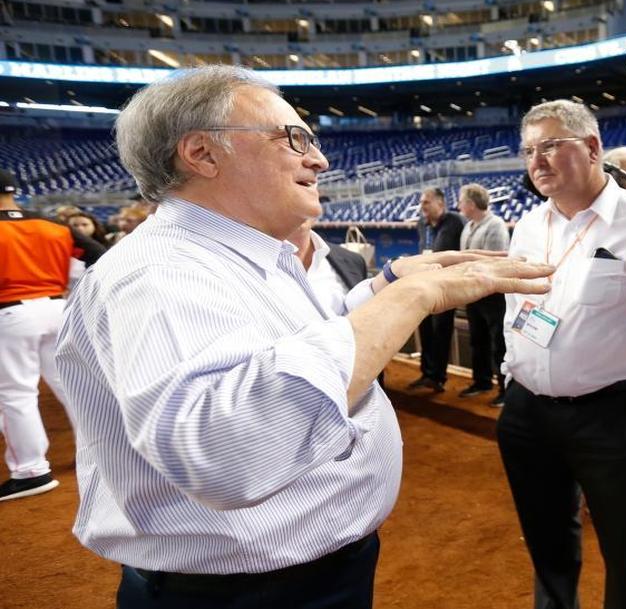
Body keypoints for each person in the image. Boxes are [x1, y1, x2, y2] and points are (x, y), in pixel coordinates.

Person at [54, 65, 552, 609]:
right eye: (293, 138)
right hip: (245, 594)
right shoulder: (162, 270)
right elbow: (226, 453)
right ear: (201, 154)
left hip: (287, 580)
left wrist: (384, 286)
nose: (318, 159)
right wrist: (408, 300)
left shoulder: (226, 255)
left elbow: (283, 348)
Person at [497, 100, 626, 609]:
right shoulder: (526, 227)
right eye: (529, 151)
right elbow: (515, 309)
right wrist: (511, 378)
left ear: (592, 148)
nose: (537, 161)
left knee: (624, 548)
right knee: (546, 541)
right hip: (528, 413)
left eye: (550, 146)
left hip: (615, 416)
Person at [0, 169, 104, 502]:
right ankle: (102, 454)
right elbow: (99, 256)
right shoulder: (53, 224)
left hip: (10, 313)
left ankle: (31, 471)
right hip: (57, 308)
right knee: (71, 385)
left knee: (16, 394)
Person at [456, 183, 511, 405]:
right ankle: (482, 381)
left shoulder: (495, 225)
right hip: (473, 292)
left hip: (493, 295)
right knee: (477, 341)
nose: (459, 205)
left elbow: (493, 262)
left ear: (470, 204)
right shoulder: (468, 226)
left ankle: (505, 390)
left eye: (461, 201)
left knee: (499, 343)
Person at [409, 186, 466, 393]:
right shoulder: (421, 224)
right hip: (424, 285)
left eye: (426, 202)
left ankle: (438, 377)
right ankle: (426, 373)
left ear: (440, 204)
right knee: (425, 330)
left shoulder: (456, 222)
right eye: (422, 202)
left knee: (441, 331)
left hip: (446, 287)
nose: (422, 206)